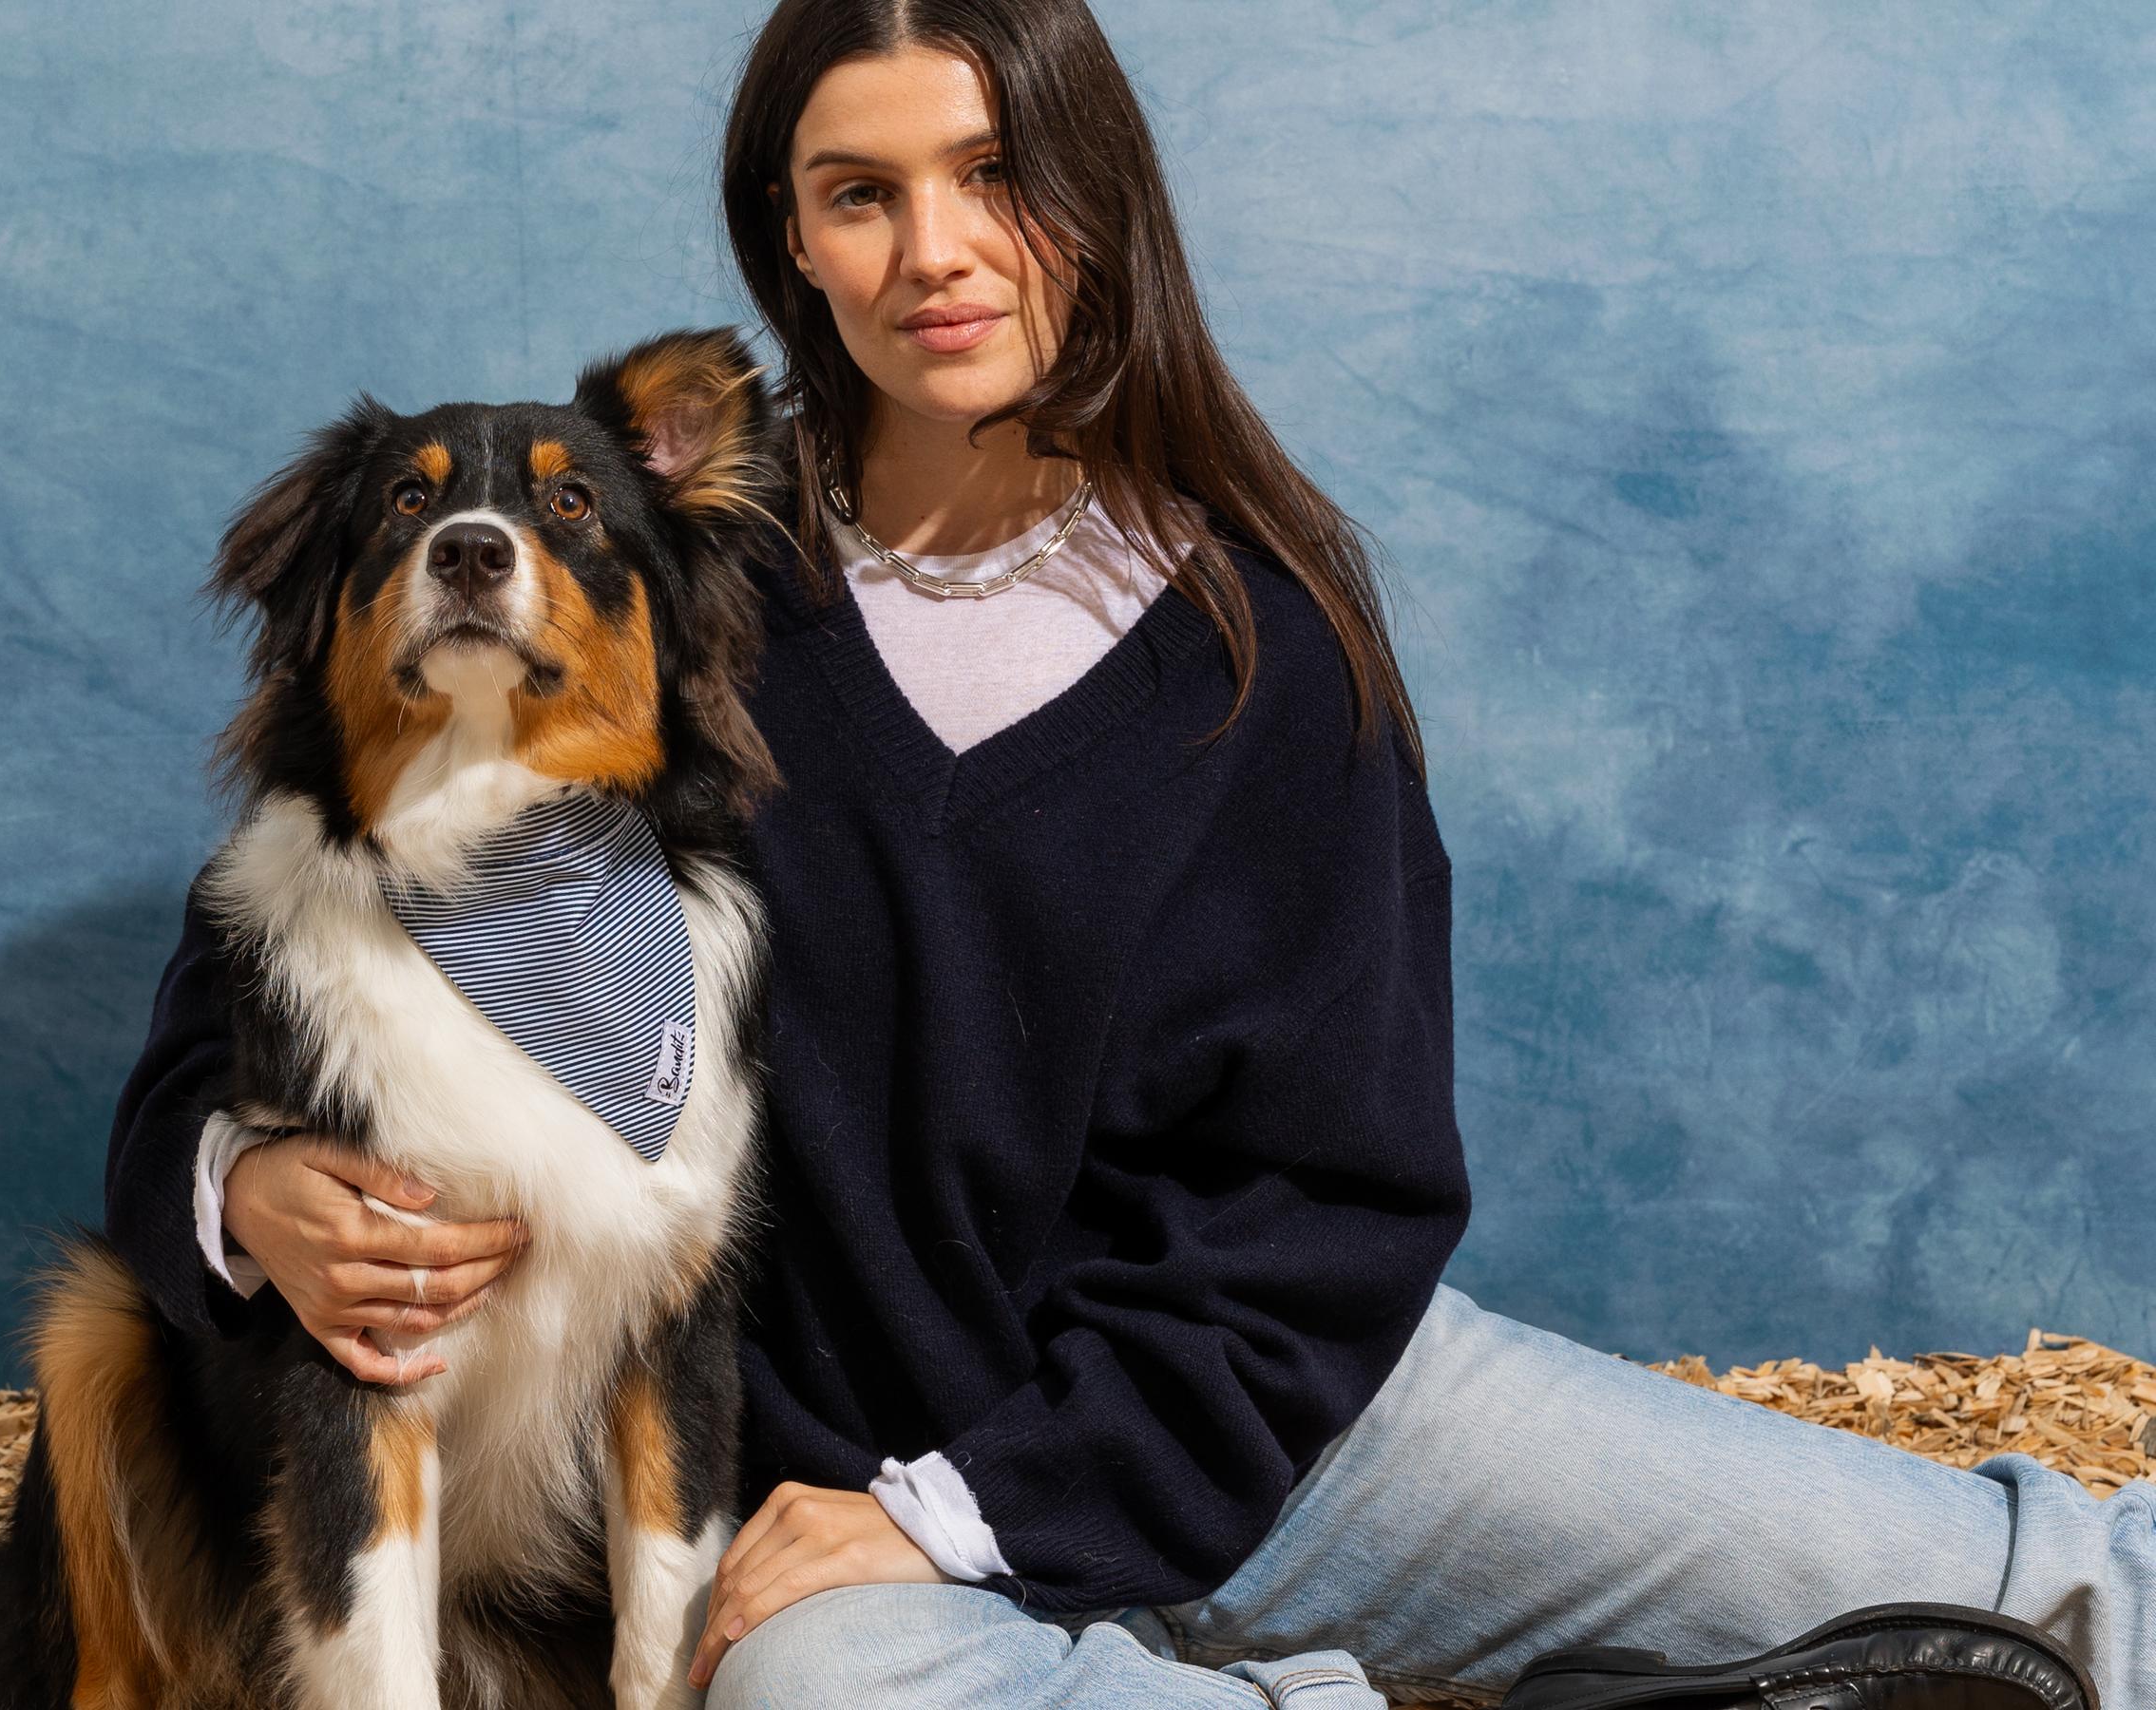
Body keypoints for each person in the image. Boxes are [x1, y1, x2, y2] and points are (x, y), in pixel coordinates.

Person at [104, 2, 2156, 1704]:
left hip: (1293, 1434)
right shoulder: (644, 597)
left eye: (996, 175)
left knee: (2048, 1591)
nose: (939, 251)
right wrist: (246, 1188)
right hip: (848, 1534)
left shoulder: (1268, 645)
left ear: (1098, 197)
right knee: (820, 1703)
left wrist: (992, 1503)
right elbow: (262, 996)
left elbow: (1339, 1201)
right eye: (860, 194)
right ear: (789, 244)